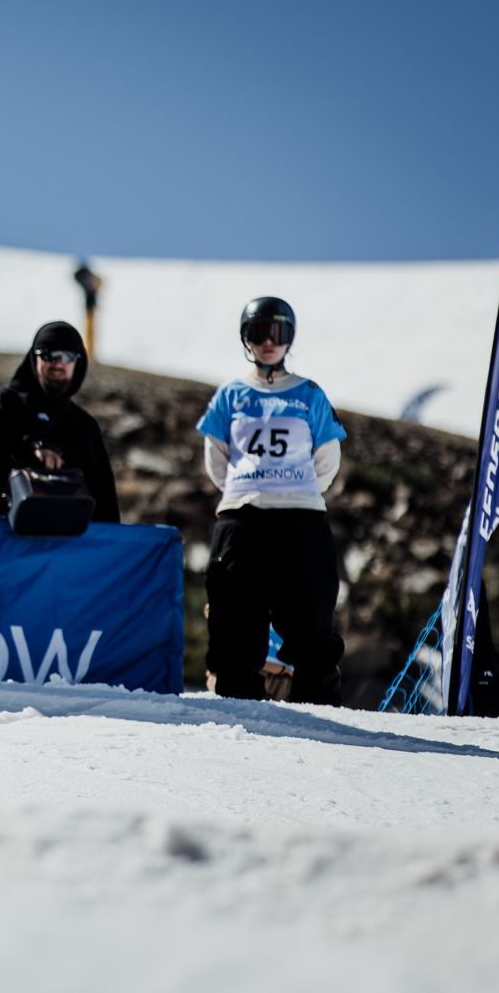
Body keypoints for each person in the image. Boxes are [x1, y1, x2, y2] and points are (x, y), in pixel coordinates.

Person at [197, 296, 346, 705]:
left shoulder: (310, 394)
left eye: (277, 333)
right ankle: (237, 718)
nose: (268, 342)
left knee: (311, 626)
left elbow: (327, 459)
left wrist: (292, 492)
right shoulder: (229, 396)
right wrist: (249, 490)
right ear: (246, 339)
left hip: (301, 521)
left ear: (289, 339)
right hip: (241, 519)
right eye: (258, 333)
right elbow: (216, 458)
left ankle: (326, 722)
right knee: (234, 624)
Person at [0, 321, 119, 522]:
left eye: (67, 356)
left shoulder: (84, 426)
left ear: (78, 362)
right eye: (47, 354)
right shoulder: (2, 403)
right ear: (33, 358)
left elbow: (104, 500)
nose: (57, 363)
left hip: (64, 544)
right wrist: (26, 454)